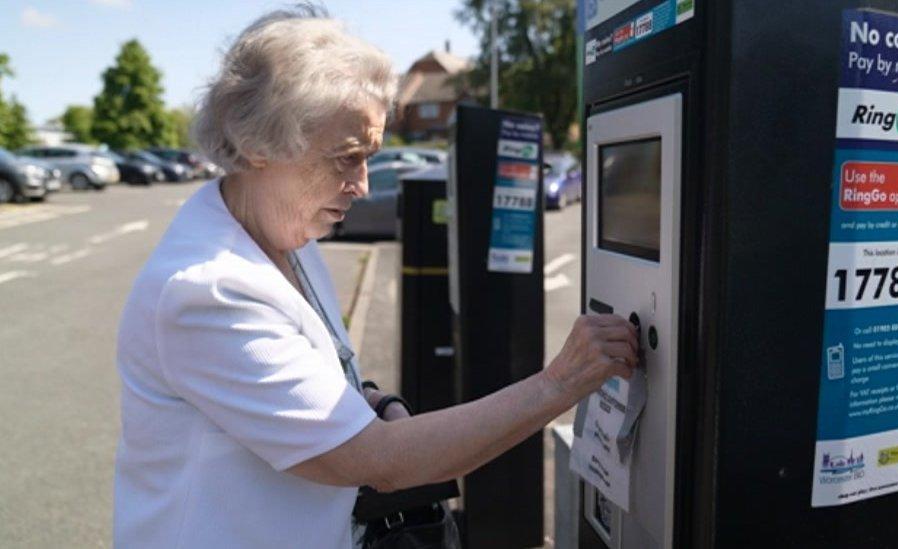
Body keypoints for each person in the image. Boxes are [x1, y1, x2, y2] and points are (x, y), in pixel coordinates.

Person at [113, 6, 638, 548]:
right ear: (257, 145)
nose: (362, 184)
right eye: (345, 157)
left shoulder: (283, 237)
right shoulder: (210, 290)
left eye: (370, 157)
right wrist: (561, 383)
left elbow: (308, 384)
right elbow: (375, 461)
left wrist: (369, 400)